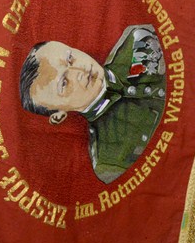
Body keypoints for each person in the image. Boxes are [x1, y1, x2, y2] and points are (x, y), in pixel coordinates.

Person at [19, 25, 166, 184]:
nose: (79, 70)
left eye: (70, 58)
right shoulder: (109, 160)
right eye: (64, 83)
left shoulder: (137, 39)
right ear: (59, 115)